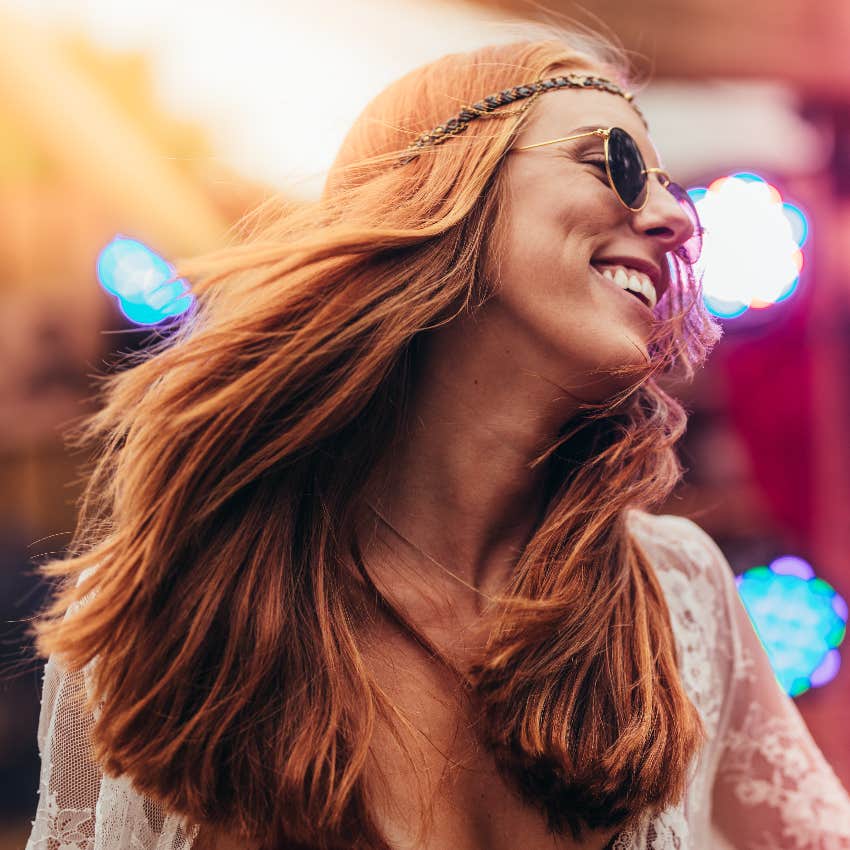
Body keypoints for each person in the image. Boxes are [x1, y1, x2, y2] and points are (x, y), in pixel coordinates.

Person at [24, 29, 850, 850]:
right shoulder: (179, 613)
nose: (673, 217)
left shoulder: (678, 597)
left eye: (671, 188)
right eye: (620, 164)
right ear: (452, 188)